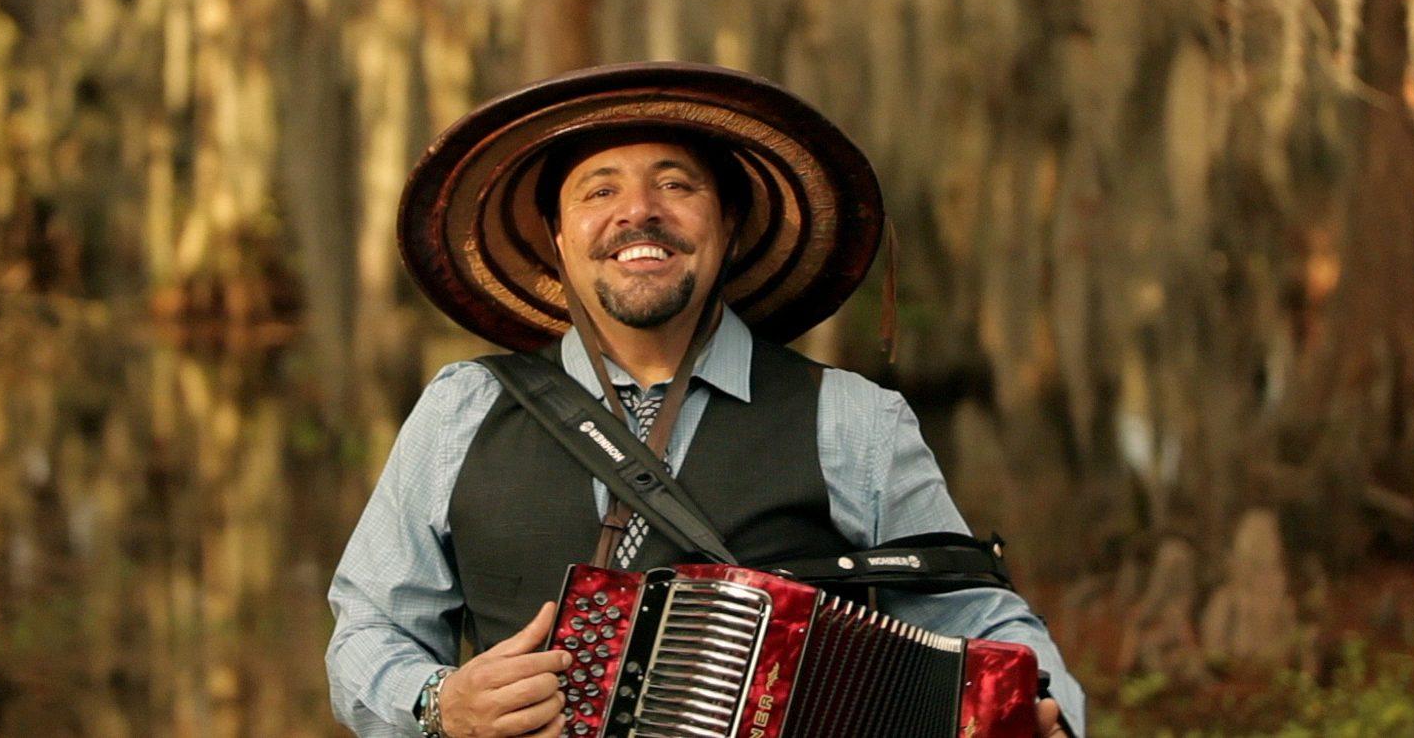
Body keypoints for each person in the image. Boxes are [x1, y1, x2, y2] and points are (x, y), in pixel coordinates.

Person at [327, 63, 1085, 737]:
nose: (639, 212)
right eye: (600, 190)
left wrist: (1049, 715)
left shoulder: (853, 420)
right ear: (557, 238)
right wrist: (436, 704)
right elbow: (368, 629)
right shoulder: (462, 411)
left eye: (676, 184)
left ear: (727, 224)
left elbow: (980, 619)